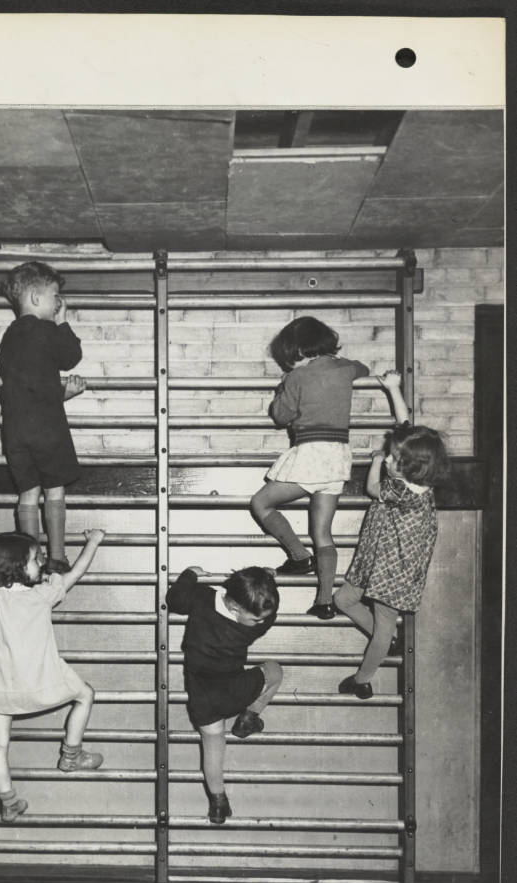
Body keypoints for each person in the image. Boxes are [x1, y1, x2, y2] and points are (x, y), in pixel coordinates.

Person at [0, 528, 106, 822]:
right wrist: (93, 542)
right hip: (40, 683)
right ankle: (72, 755)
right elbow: (76, 572)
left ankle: (9, 802)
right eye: (35, 559)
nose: (40, 563)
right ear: (16, 566)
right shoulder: (40, 595)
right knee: (85, 695)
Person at [334, 371, 450, 699]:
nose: (388, 457)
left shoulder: (405, 492)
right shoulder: (417, 475)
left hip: (394, 572)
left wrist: (374, 462)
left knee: (383, 627)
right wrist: (394, 388)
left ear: (410, 468)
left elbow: (373, 488)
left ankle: (362, 679)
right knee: (343, 600)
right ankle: (385, 642)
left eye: (393, 459)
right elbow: (404, 425)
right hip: (377, 560)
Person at [250, 316, 369, 619]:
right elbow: (363, 369)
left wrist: (281, 389)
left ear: (300, 349)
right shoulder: (345, 368)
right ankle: (325, 601)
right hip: (339, 457)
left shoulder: (297, 377)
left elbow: (280, 416)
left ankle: (299, 556)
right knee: (323, 533)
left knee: (261, 503)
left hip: (311, 454)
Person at [166, 565, 283, 825]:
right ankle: (249, 717)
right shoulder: (251, 629)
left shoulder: (201, 597)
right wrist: (269, 580)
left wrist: (190, 573)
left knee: (213, 750)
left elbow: (174, 600)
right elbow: (270, 616)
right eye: (255, 618)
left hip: (202, 698)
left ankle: (218, 802)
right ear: (235, 610)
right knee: (274, 671)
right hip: (235, 689)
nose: (260, 623)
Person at [0, 260, 87, 574]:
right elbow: (71, 357)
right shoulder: (46, 330)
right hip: (46, 429)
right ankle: (57, 557)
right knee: (54, 488)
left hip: (14, 431)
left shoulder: (9, 338)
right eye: (54, 297)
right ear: (37, 298)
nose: (57, 303)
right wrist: (62, 322)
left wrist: (59, 393)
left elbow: (28, 390)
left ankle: (28, 562)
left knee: (28, 492)